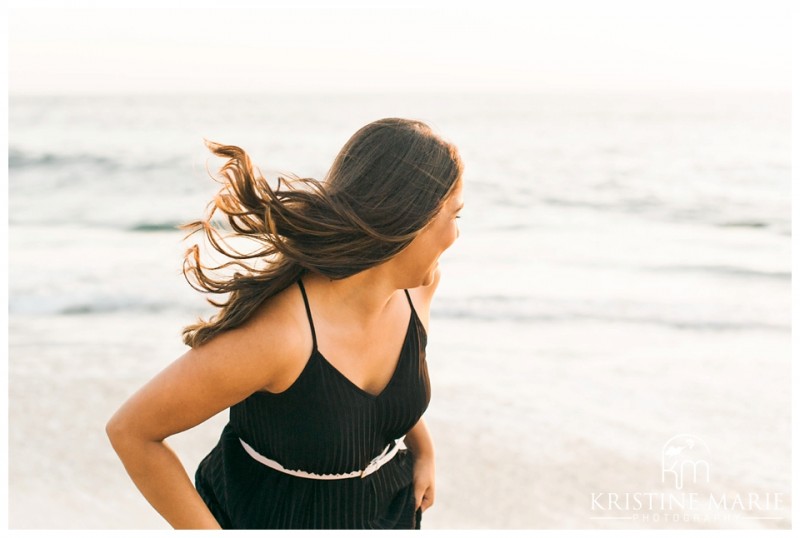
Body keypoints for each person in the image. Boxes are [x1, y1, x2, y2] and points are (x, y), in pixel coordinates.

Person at [105, 117, 464, 529]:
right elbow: (132, 432)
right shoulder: (279, 337)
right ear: (409, 221)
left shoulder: (417, 292)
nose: (456, 235)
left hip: (387, 512)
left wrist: (424, 450)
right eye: (455, 215)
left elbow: (376, 401)